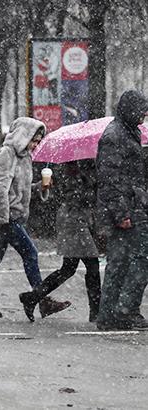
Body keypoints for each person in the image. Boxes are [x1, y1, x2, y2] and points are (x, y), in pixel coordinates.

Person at [0, 117, 70, 320]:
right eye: (34, 139)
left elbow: (19, 190)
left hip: (11, 217)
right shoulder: (7, 154)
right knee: (30, 253)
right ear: (24, 135)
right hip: (7, 218)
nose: (35, 144)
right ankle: (40, 299)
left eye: (38, 140)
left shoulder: (25, 157)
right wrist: (2, 218)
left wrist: (40, 188)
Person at [19, 161, 101, 322]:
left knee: (69, 268)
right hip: (74, 220)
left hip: (75, 219)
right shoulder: (76, 168)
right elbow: (80, 196)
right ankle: (96, 312)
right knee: (92, 265)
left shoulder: (78, 165)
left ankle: (33, 297)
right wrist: (95, 184)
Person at [95, 90, 148, 331]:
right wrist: (121, 213)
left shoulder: (127, 132)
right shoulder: (116, 136)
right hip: (127, 209)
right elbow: (110, 179)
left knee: (124, 261)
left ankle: (111, 314)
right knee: (132, 260)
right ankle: (123, 311)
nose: (144, 115)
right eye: (141, 110)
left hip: (132, 206)